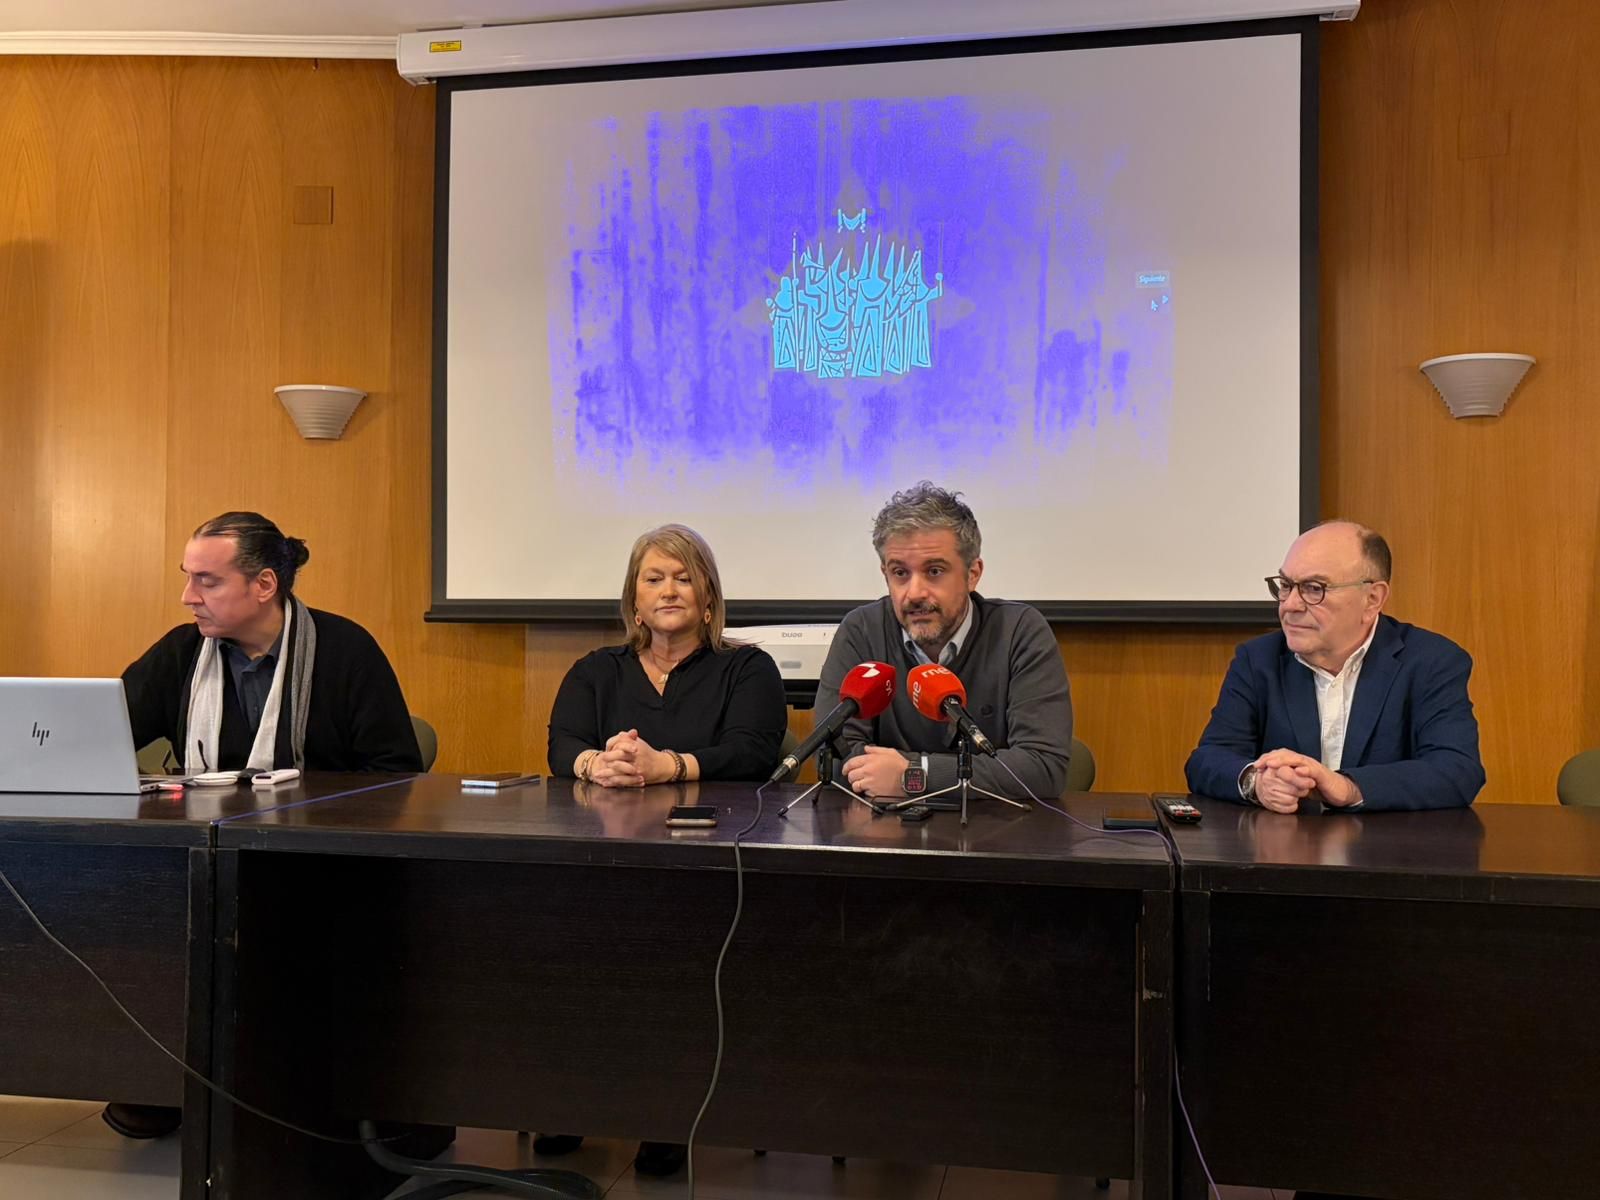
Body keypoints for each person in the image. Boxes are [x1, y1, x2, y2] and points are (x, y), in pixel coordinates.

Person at [107, 512, 422, 1140]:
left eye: (206, 581)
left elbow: (398, 774)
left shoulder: (344, 651)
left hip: (319, 867)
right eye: (187, 578)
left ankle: (315, 1096)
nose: (187, 596)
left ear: (265, 585)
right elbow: (107, 736)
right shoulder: (180, 652)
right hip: (206, 859)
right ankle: (164, 1083)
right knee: (130, 917)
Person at [542, 523, 785, 1176]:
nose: (669, 590)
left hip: (703, 866)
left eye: (684, 577)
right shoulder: (597, 670)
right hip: (602, 860)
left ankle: (667, 1114)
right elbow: (560, 745)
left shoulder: (747, 667)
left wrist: (666, 766)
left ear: (708, 597)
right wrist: (599, 763)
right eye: (655, 578)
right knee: (558, 949)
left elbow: (754, 751)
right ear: (634, 598)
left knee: (672, 956)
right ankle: (570, 1100)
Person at [1185, 520, 1484, 815]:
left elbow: (1456, 769)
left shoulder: (1431, 661)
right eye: (1286, 586)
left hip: (1387, 854)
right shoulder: (1258, 660)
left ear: (1372, 599)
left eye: (1314, 589)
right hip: (1282, 855)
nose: (1290, 605)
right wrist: (1257, 782)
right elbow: (1208, 759)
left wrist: (1347, 786)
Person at [814, 481, 1072, 801]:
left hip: (995, 835)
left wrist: (915, 774)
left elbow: (1043, 768)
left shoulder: (1019, 631)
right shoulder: (862, 631)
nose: (915, 592)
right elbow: (834, 755)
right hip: (884, 835)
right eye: (900, 573)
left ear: (973, 573)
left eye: (934, 571)